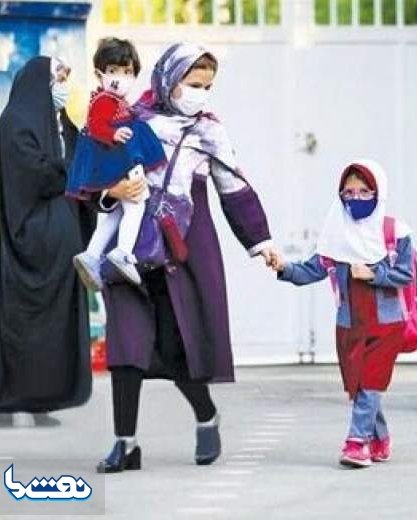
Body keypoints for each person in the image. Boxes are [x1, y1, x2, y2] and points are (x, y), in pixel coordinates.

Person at [95, 43, 279, 473]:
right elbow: (93, 174)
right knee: (126, 347)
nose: (200, 94)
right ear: (168, 80)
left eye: (207, 87)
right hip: (129, 250)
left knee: (176, 346)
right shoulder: (129, 120)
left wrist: (262, 241)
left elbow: (235, 190)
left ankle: (206, 414)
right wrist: (110, 192)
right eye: (193, 84)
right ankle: (125, 443)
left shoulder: (209, 132)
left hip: (182, 250)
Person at [274, 160, 413, 469]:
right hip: (349, 324)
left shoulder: (395, 232)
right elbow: (311, 270)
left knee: (370, 382)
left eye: (364, 192)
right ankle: (379, 438)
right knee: (359, 385)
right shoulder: (336, 235)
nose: (356, 199)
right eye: (348, 193)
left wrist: (374, 274)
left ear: (378, 193)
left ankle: (357, 442)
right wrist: (283, 267)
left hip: (386, 324)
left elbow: (405, 275)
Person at [0, 57, 94, 427]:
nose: (63, 87)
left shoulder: (59, 123)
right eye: (58, 79)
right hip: (27, 246)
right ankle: (8, 404)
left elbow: (83, 161)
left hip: (59, 249)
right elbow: (36, 176)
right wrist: (68, 168)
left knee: (54, 330)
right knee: (22, 325)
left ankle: (43, 402)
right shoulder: (17, 124)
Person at [68, 37, 166, 288]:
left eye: (127, 72)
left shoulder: (116, 102)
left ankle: (91, 254)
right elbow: (96, 126)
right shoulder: (103, 101)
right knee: (137, 204)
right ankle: (123, 252)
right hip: (118, 162)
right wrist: (113, 134)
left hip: (115, 163)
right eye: (113, 71)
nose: (120, 77)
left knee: (116, 212)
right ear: (99, 73)